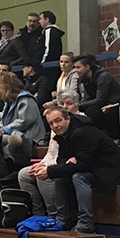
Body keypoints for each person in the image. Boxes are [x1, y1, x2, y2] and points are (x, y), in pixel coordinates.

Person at [42, 106, 120, 234]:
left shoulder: (83, 131)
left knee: (78, 177)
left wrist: (51, 170)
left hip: (112, 170)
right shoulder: (62, 135)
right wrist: (68, 161)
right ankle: (62, 220)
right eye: (51, 123)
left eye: (58, 120)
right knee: (60, 178)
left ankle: (86, 222)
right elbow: (61, 159)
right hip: (94, 168)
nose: (55, 126)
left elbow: (84, 164)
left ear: (68, 118)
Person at [19, 91, 85, 219]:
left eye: (69, 104)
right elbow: (51, 152)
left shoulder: (80, 123)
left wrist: (47, 167)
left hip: (69, 165)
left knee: (43, 175)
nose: (65, 107)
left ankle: (53, 214)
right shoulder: (56, 124)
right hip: (54, 162)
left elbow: (72, 156)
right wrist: (42, 163)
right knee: (23, 174)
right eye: (62, 104)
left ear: (77, 105)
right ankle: (38, 214)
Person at [0, 71, 47, 166]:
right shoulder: (9, 100)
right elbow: (4, 118)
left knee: (1, 140)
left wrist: (5, 129)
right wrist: (1, 129)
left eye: (0, 86)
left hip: (31, 138)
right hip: (14, 133)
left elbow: (25, 121)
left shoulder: (26, 99)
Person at [75, 53, 120, 139]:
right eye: (75, 67)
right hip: (100, 103)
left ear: (87, 67)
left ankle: (108, 136)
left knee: (93, 111)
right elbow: (87, 98)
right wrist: (78, 105)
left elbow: (101, 99)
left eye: (78, 67)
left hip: (112, 103)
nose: (76, 70)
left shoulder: (103, 76)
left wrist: (79, 104)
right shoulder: (85, 79)